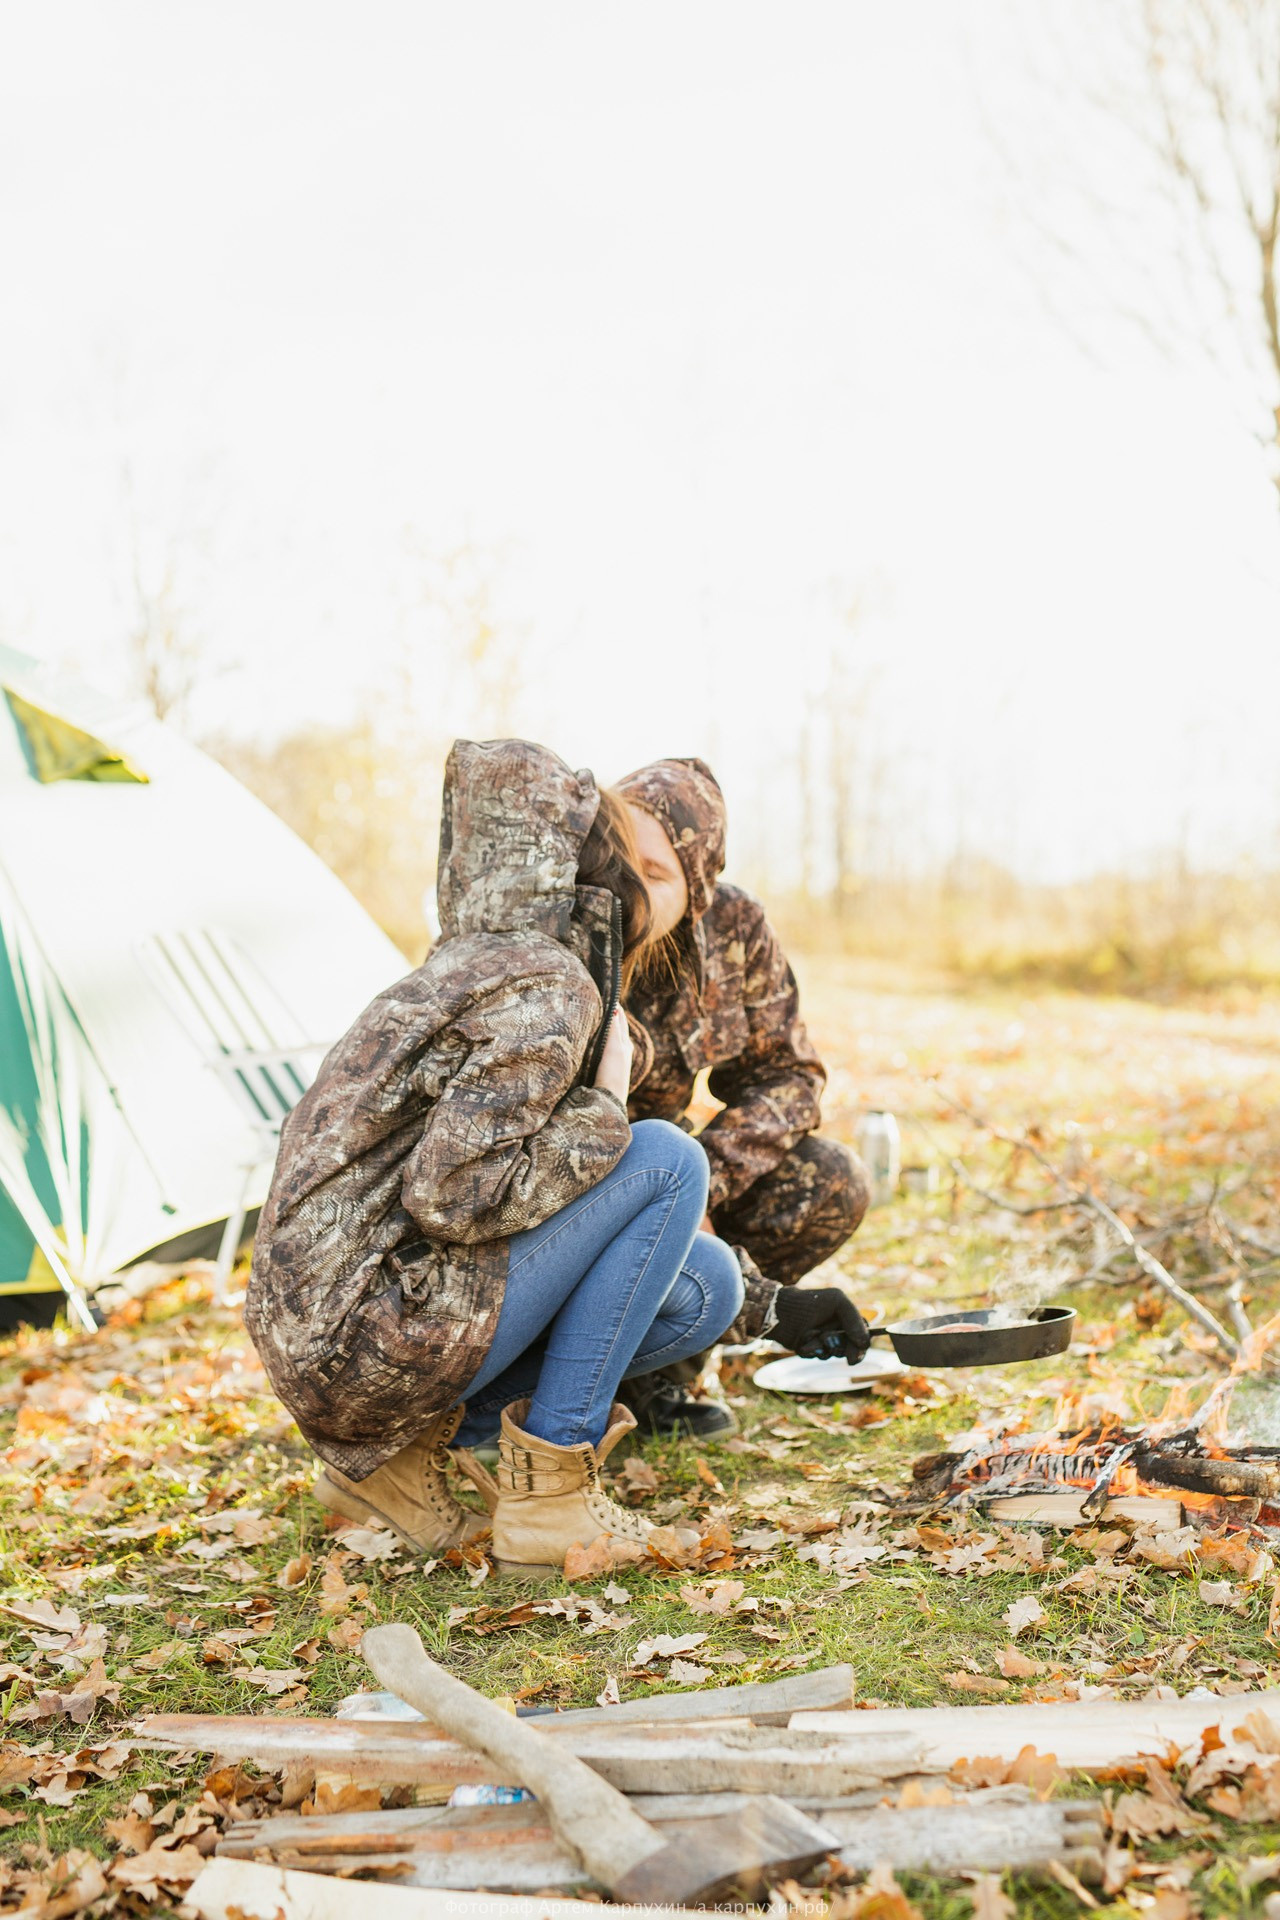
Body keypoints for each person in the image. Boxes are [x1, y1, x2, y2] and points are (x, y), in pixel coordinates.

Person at [245, 738, 747, 1577]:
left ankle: (404, 1463)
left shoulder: (473, 963)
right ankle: (549, 1498)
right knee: (666, 1159)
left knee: (705, 1286)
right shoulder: (546, 984)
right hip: (370, 1331)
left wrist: (767, 1309)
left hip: (336, 1330)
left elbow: (535, 1211)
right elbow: (456, 1196)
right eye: (641, 869)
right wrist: (608, 1109)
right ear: (595, 875)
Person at [617, 755, 872, 1438]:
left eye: (655, 871)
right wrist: (768, 1305)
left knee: (830, 1180)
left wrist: (703, 1178)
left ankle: (655, 1382)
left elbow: (791, 1078)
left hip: (676, 1164)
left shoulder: (732, 928)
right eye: (614, 856)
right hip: (579, 1187)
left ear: (698, 883)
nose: (626, 888)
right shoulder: (565, 933)